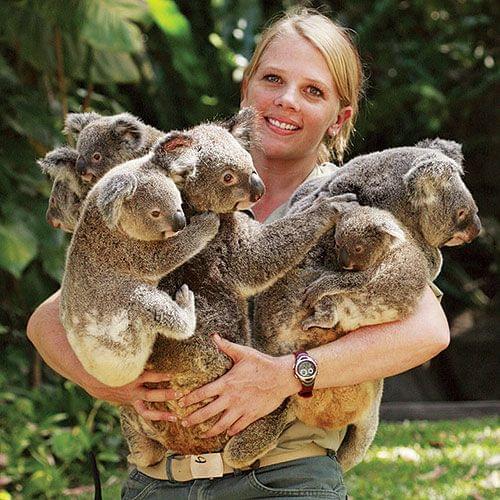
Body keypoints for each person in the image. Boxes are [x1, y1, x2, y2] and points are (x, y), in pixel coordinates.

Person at [27, 8, 450, 499]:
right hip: (159, 482)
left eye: (313, 91)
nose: (286, 101)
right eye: (272, 79)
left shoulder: (350, 202)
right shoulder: (171, 190)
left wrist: (288, 376)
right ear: (247, 89)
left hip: (285, 478)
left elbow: (427, 330)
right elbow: (47, 320)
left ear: (340, 118)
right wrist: (111, 383)